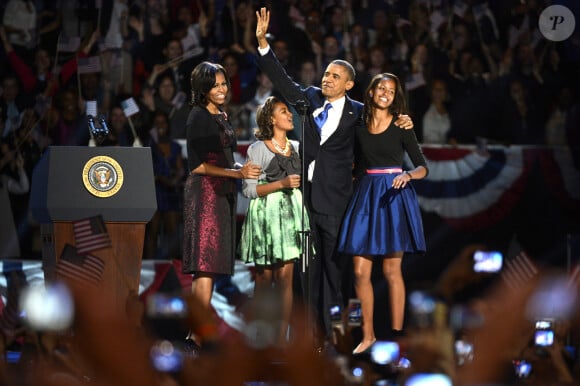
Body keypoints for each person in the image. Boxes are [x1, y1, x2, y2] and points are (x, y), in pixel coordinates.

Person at [254, 8, 414, 345]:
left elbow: (382, 127)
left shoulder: (359, 113)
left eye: (334, 76)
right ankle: (311, 340)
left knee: (333, 274)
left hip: (339, 203)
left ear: (349, 85)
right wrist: (262, 45)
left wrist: (403, 121)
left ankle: (335, 337)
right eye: (326, 74)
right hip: (305, 201)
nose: (327, 79)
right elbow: (282, 81)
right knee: (307, 274)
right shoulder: (309, 98)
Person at [337, 72, 428, 354]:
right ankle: (368, 335)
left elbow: (422, 166)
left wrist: (409, 176)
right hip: (366, 196)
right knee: (360, 271)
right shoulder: (359, 125)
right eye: (381, 88)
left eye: (391, 89)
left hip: (394, 196)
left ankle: (398, 336)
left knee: (391, 269)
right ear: (372, 92)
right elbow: (353, 163)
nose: (386, 92)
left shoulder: (402, 125)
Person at [182, 61, 261, 327]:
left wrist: (240, 169)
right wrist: (237, 174)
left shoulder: (220, 114)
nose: (221, 89)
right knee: (204, 267)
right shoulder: (198, 116)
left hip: (221, 193)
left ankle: (198, 335)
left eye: (224, 83)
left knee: (212, 267)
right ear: (202, 88)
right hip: (205, 195)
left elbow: (224, 159)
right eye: (214, 85)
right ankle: (195, 337)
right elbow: (198, 165)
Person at [239, 96, 306, 344]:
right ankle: (262, 338)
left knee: (285, 278)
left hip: (290, 216)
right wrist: (281, 184)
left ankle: (281, 341)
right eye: (283, 111)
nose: (289, 115)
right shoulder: (257, 149)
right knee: (265, 279)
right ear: (270, 118)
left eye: (289, 111)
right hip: (266, 217)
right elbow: (248, 190)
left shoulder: (298, 147)